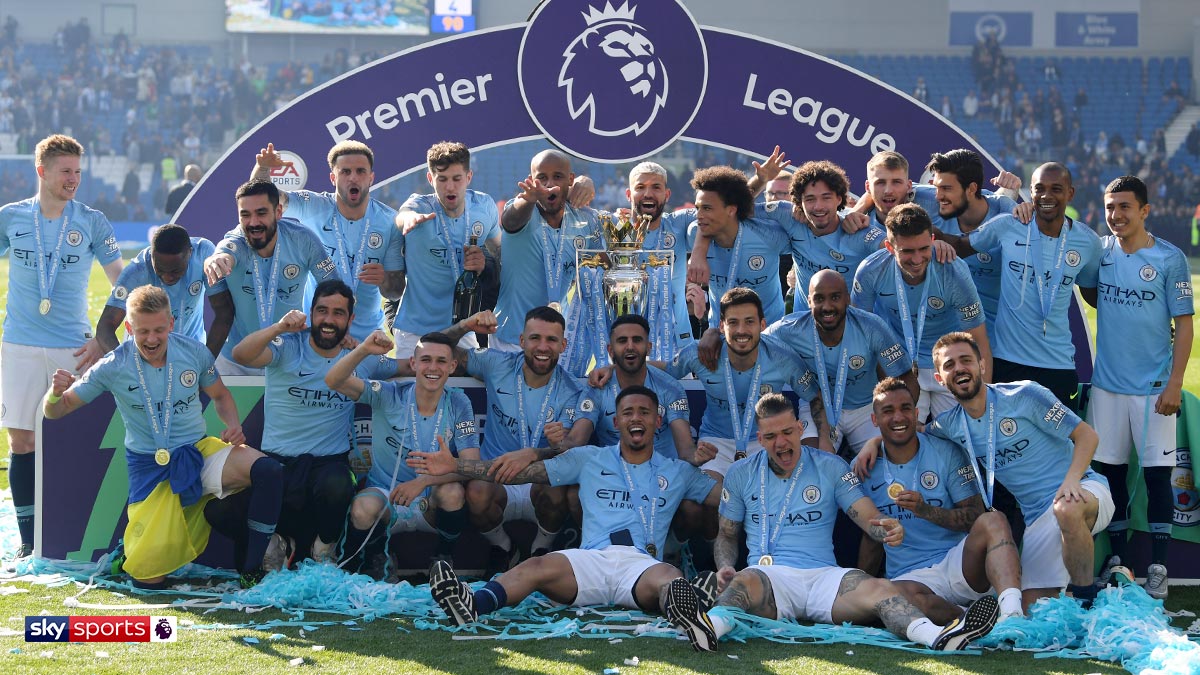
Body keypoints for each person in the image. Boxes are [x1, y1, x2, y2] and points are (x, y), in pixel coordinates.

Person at [686, 393, 999, 652]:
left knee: (881, 590)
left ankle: (938, 638)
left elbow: (867, 516)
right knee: (743, 581)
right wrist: (725, 565)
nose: (781, 443)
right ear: (760, 438)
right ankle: (708, 628)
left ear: (799, 427)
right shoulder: (740, 474)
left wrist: (886, 527)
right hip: (769, 577)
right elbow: (727, 535)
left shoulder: (831, 466)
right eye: (770, 436)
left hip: (825, 578)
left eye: (787, 433)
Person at [411, 385, 721, 636]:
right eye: (627, 412)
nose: (635, 418)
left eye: (644, 412)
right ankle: (472, 606)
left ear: (658, 420)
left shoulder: (678, 472)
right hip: (591, 560)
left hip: (640, 565)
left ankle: (687, 610)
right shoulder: (589, 458)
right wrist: (456, 466)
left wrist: (758, 473)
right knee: (535, 567)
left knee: (669, 577)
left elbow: (729, 498)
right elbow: (519, 474)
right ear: (616, 422)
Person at [42, 286, 284, 588]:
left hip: (198, 453)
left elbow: (221, 396)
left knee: (268, 471)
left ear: (170, 323)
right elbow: (56, 411)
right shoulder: (113, 365)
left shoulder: (194, 352)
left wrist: (233, 424)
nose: (152, 339)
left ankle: (251, 569)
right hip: (149, 469)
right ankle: (129, 553)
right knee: (147, 580)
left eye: (159, 329)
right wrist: (53, 395)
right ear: (129, 328)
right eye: (143, 331)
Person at [925, 332, 1115, 609]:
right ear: (940, 379)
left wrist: (1072, 480)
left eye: (966, 360)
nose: (959, 369)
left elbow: (1087, 436)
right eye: (949, 365)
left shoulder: (1024, 394)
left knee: (1067, 509)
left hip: (1083, 489)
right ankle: (1105, 588)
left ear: (982, 364)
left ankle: (1086, 597)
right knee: (1032, 610)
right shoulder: (949, 425)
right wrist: (873, 443)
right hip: (1037, 518)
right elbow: (917, 435)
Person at [0, 133, 124, 558]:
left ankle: (75, 530)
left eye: (77, 172)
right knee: (22, 443)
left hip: (74, 348)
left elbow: (122, 282)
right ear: (42, 172)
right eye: (65, 172)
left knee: (74, 438)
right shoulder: (11, 218)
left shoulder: (91, 221)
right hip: (18, 346)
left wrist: (104, 338)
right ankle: (30, 539)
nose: (74, 179)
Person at [229, 279, 401, 564]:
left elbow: (416, 365)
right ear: (311, 313)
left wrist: (460, 339)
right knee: (221, 508)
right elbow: (241, 354)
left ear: (351, 319)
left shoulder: (360, 356)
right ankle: (277, 542)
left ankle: (325, 548)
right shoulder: (288, 346)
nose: (329, 320)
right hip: (278, 465)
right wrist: (279, 327)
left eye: (338, 313)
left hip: (328, 467)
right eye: (322, 311)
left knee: (338, 483)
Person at [1087, 176, 1194, 599]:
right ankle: (1118, 562)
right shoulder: (1100, 251)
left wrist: (1174, 384)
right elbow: (1090, 290)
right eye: (1111, 207)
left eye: (1125, 207)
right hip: (1107, 388)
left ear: (1145, 210)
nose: (1116, 215)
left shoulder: (1169, 258)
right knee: (1111, 475)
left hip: (1153, 389)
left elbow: (1184, 326)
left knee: (1156, 480)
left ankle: (1159, 567)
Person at [441, 306, 599, 575]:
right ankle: (503, 547)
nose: (543, 347)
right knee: (476, 493)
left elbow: (573, 448)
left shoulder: (574, 391)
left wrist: (544, 449)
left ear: (563, 345)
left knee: (557, 485)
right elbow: (436, 348)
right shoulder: (496, 363)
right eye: (535, 338)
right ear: (522, 340)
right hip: (496, 478)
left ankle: (541, 548)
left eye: (551, 340)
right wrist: (465, 326)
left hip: (541, 483)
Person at [855, 378, 1023, 622]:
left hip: (959, 562)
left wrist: (926, 510)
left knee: (994, 519)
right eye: (887, 411)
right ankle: (973, 619)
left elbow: (975, 516)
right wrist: (862, 587)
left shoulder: (946, 451)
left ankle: (1012, 614)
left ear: (916, 413)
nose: (898, 417)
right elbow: (870, 536)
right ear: (874, 420)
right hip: (910, 577)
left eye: (904, 408)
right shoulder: (863, 467)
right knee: (896, 598)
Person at [947, 162, 1101, 410]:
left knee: (1054, 446)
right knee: (1007, 442)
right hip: (1007, 362)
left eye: (1056, 189)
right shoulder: (1009, 225)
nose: (1047, 196)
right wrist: (914, 226)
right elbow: (959, 246)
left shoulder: (1087, 242)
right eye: (1039, 189)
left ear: (1070, 193)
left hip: (1057, 365)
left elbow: (1096, 296)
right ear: (1030, 191)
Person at [326, 330, 479, 577]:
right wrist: (364, 349)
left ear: (452, 367)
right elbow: (333, 380)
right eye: (426, 359)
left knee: (453, 493)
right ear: (413, 363)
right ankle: (377, 559)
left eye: (441, 361)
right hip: (388, 495)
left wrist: (424, 481)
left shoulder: (459, 402)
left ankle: (441, 559)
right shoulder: (389, 394)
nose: (433, 367)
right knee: (363, 507)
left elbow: (472, 464)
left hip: (431, 498)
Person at [251, 141, 404, 341]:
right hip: (314, 335)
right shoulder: (314, 206)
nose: (353, 178)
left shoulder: (389, 221)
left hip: (365, 339)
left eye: (360, 171)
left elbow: (394, 292)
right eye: (345, 172)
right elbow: (263, 198)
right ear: (333, 178)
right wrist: (263, 168)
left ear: (371, 178)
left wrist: (384, 279)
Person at [852, 203, 991, 419]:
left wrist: (984, 401)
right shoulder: (870, 271)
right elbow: (862, 334)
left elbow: (978, 339)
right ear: (889, 247)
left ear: (933, 241)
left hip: (949, 365)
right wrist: (883, 380)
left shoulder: (954, 272)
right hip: (899, 364)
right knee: (904, 441)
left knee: (962, 440)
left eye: (924, 249)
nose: (917, 260)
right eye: (907, 251)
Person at [767, 270, 914, 454]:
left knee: (883, 460)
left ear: (847, 299)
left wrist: (904, 419)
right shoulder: (790, 329)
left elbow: (905, 377)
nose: (827, 306)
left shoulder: (871, 326)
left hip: (865, 408)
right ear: (809, 301)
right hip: (817, 406)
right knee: (811, 462)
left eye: (835, 297)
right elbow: (756, 342)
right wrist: (719, 338)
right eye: (819, 299)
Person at [202, 179, 338, 375]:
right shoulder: (235, 242)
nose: (254, 222)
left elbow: (335, 289)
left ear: (279, 212)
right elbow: (225, 254)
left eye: (261, 213)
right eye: (245, 215)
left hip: (288, 358)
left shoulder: (303, 240)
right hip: (236, 364)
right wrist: (215, 260)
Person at [392, 141, 501, 357]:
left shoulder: (484, 207)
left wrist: (485, 263)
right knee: (413, 390)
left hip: (463, 327)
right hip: (415, 330)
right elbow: (403, 215)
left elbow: (500, 252)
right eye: (442, 179)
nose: (449, 187)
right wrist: (408, 220)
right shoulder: (419, 207)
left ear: (468, 177)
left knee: (465, 390)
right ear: (430, 179)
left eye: (456, 179)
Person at [492, 149, 604, 354]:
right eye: (542, 178)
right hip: (512, 341)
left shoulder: (585, 221)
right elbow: (510, 221)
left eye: (558, 177)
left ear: (570, 180)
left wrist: (586, 181)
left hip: (557, 342)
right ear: (531, 180)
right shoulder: (522, 210)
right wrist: (529, 199)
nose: (550, 184)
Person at [916, 150, 1020, 331]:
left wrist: (1010, 191)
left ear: (971, 189)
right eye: (937, 187)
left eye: (947, 189)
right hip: (944, 340)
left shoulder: (1008, 216)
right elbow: (886, 190)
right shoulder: (926, 199)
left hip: (994, 338)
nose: (938, 196)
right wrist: (860, 210)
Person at [97, 223, 234, 358]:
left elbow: (224, 311)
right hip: (145, 360)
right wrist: (125, 365)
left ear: (190, 253)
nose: (167, 276)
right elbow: (105, 326)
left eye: (175, 270)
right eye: (160, 270)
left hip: (190, 356)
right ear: (152, 256)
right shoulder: (137, 271)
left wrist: (206, 362)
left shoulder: (203, 254)